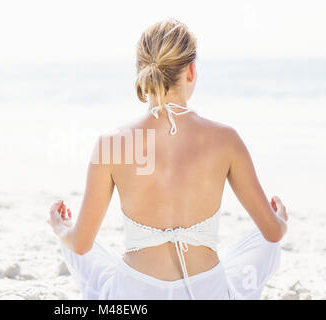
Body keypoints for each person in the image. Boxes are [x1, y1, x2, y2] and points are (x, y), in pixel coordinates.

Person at [47, 18, 288, 300]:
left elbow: (81, 245)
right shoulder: (226, 140)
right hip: (205, 292)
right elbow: (272, 234)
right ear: (191, 71)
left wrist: (61, 228)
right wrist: (280, 220)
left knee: (78, 247)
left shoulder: (112, 144)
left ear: (141, 72)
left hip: (136, 293)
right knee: (261, 246)